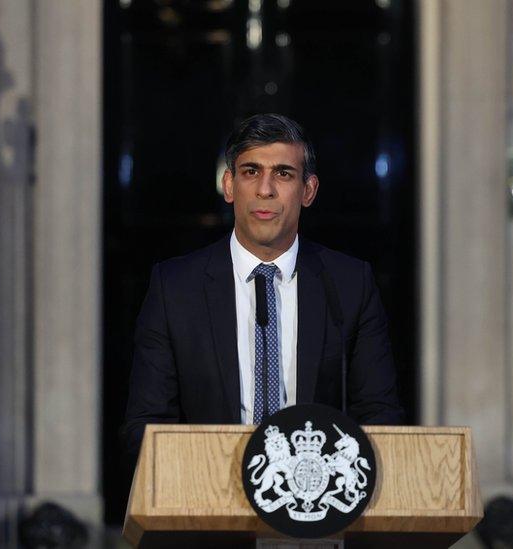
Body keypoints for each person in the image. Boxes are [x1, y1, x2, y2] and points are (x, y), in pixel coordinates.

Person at [122, 113, 405, 461]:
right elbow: (145, 429)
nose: (265, 189)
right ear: (229, 185)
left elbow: (380, 419)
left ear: (308, 190)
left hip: (317, 502)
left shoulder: (350, 285)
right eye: (251, 172)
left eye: (283, 174)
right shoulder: (176, 289)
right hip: (208, 500)